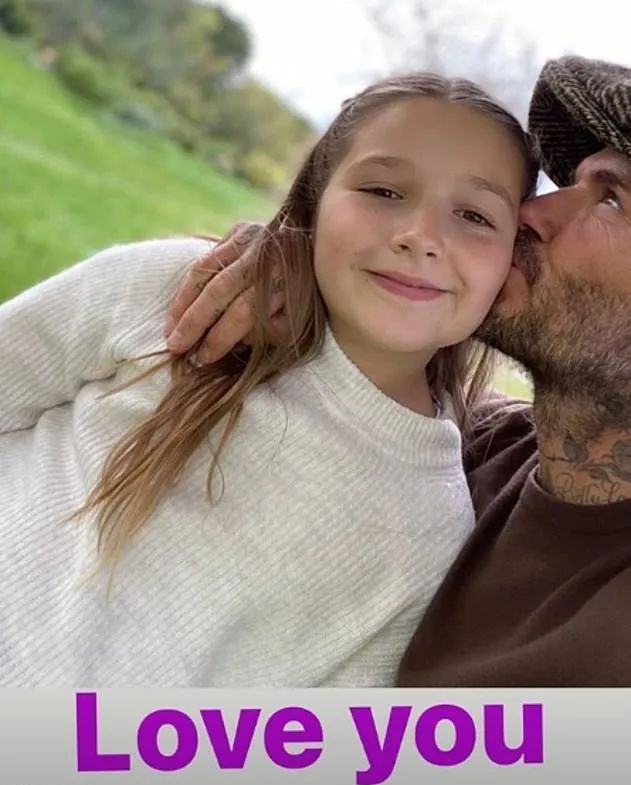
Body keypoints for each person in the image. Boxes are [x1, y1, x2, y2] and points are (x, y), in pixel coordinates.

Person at [0, 73, 539, 687]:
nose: (421, 236)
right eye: (383, 190)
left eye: (474, 215)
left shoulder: (432, 532)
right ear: (315, 201)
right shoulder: (182, 293)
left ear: (512, 263)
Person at [165, 55, 631, 687]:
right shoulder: (474, 446)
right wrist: (299, 261)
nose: (530, 213)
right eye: (570, 183)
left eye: (611, 199)